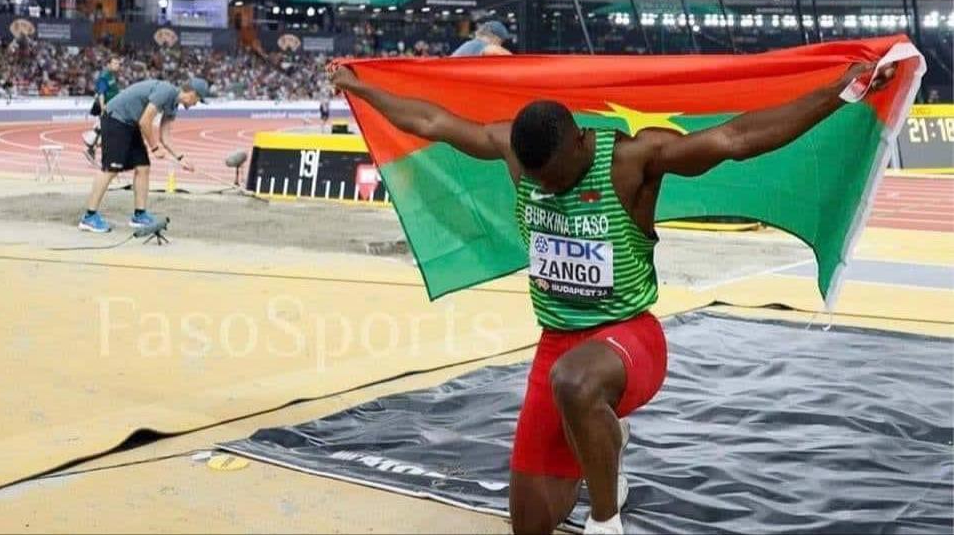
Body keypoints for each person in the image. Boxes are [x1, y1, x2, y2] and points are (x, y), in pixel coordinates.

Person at [329, 60, 896, 535]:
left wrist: (839, 92)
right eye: (537, 180)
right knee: (529, 523)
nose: (546, 189)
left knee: (575, 382)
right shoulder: (516, 153)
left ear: (579, 141)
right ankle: (604, 441)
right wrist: (361, 87)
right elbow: (430, 118)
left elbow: (735, 139)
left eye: (554, 177)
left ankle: (606, 521)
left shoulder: (631, 162)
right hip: (557, 345)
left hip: (628, 338)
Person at [78, 77, 211, 233]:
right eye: (198, 100)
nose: (195, 104)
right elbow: (145, 121)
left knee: (143, 167)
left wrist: (181, 158)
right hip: (116, 118)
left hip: (130, 124)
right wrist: (155, 148)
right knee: (110, 169)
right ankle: (89, 217)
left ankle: (139, 215)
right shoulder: (166, 91)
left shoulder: (173, 105)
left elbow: (165, 136)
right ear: (192, 94)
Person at [85, 55, 122, 164]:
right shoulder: (104, 76)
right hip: (106, 106)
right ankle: (91, 147)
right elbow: (101, 93)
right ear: (108, 64)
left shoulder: (112, 76)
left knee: (106, 130)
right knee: (106, 129)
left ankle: (92, 146)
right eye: (115, 63)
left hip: (113, 106)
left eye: (118, 63)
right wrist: (102, 108)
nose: (117, 65)